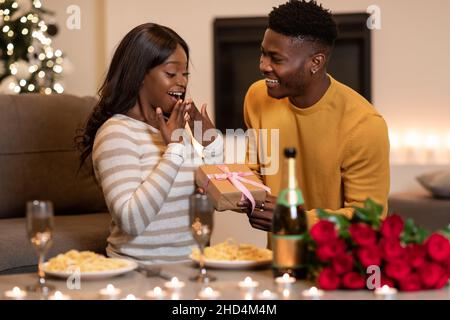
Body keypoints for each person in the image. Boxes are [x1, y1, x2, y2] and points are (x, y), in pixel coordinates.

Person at [77, 23, 223, 264]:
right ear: (140, 75)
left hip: (193, 267)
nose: (182, 83)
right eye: (171, 73)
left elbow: (212, 198)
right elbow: (132, 221)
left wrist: (211, 144)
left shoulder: (174, 129)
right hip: (139, 274)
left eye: (185, 74)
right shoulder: (116, 133)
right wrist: (174, 150)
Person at [242, 0, 390, 232]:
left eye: (276, 58)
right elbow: (255, 170)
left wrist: (294, 221)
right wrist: (209, 149)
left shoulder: (364, 125)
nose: (263, 65)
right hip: (278, 258)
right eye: (263, 54)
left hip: (336, 265)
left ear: (315, 62)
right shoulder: (257, 96)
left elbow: (368, 220)